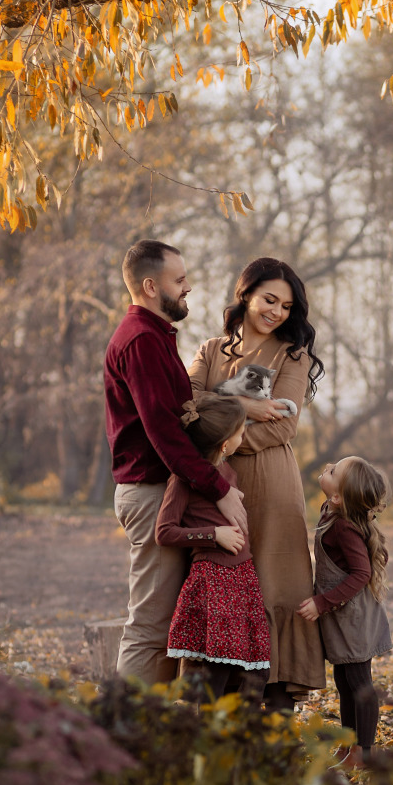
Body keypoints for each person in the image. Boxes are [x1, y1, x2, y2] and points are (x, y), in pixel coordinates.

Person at [104, 239, 248, 684]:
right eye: (179, 280)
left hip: (163, 492)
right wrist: (219, 490)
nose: (189, 287)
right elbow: (164, 433)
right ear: (151, 286)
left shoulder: (156, 335)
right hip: (150, 496)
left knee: (170, 628)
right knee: (150, 627)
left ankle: (157, 736)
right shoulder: (141, 341)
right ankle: (124, 736)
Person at [187, 258, 324, 710]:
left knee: (275, 585)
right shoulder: (210, 351)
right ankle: (219, 704)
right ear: (245, 294)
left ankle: (276, 705)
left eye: (286, 305)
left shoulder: (292, 354)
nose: (277, 312)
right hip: (216, 484)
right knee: (223, 583)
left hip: (273, 486)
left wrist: (221, 430)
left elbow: (283, 427)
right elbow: (184, 405)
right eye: (269, 299)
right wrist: (245, 405)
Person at [154, 394, 269, 699]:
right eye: (241, 431)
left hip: (242, 579)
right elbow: (165, 532)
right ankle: (208, 740)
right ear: (224, 444)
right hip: (214, 580)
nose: (244, 435)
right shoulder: (183, 479)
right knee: (216, 672)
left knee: (258, 670)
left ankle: (242, 737)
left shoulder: (229, 472)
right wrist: (213, 535)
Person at [296, 456, 392, 769]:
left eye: (334, 470)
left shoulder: (344, 527)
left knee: (359, 682)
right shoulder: (332, 511)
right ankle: (350, 746)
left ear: (338, 496)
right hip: (342, 616)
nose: (328, 467)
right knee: (344, 679)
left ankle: (364, 755)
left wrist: (321, 603)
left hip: (354, 617)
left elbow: (361, 573)